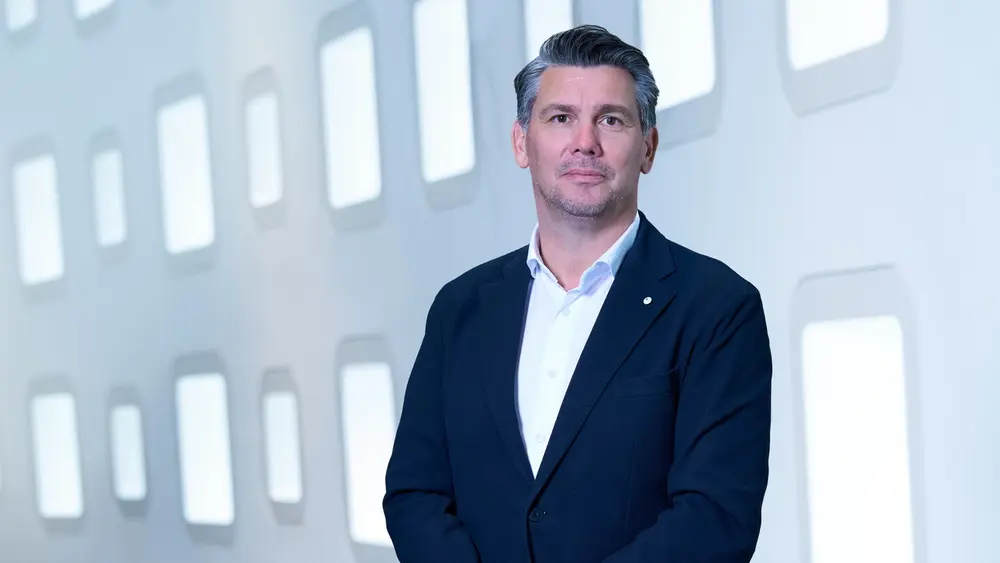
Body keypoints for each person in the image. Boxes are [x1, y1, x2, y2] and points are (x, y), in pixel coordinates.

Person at [383, 24, 772, 563]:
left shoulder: (717, 308)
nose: (584, 142)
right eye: (560, 117)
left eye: (611, 119)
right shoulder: (461, 308)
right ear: (521, 142)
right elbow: (415, 494)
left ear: (648, 147)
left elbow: (716, 518)